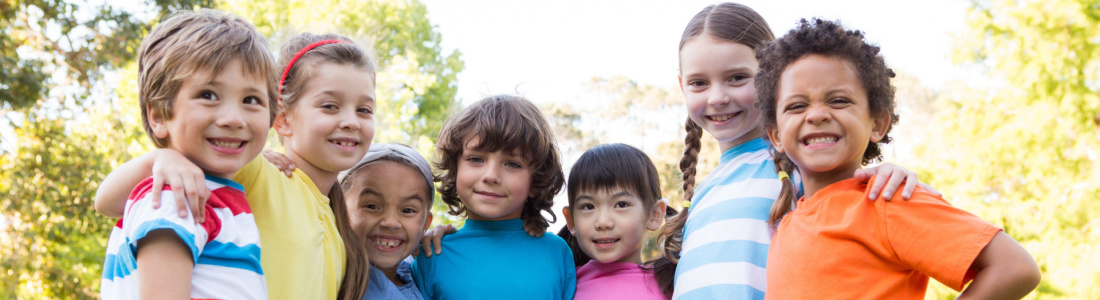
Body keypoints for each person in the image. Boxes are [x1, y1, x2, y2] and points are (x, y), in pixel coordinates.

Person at [655, 3, 934, 299]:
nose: (718, 97)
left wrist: (887, 174)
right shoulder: (704, 190)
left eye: (737, 78)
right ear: (682, 86)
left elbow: (860, 205)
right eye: (699, 83)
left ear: (771, 80)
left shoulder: (801, 164)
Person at [755, 18, 1041, 299]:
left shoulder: (887, 200)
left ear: (877, 124)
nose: (817, 114)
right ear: (776, 135)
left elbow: (1014, 268)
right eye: (797, 105)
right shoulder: (788, 223)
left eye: (839, 100)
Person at [94, 32, 378, 300]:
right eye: (330, 106)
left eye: (364, 110)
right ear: (281, 119)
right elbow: (108, 202)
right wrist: (162, 158)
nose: (351, 121)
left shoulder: (338, 219)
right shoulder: (257, 172)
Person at [99, 9, 275, 299]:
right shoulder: (175, 195)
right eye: (208, 95)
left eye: (251, 100)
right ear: (159, 116)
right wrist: (159, 159)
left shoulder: (214, 197)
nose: (234, 118)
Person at [412, 95, 576, 299]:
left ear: (535, 181)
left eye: (512, 164)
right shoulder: (431, 254)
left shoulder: (556, 253)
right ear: (455, 170)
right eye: (476, 159)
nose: (491, 175)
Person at [558, 143, 671, 300]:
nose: (603, 222)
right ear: (571, 220)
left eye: (621, 204)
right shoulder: (563, 284)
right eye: (588, 206)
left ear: (654, 215)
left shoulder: (672, 286)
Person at [339, 143, 434, 300]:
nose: (391, 222)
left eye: (408, 210)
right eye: (372, 206)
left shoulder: (416, 272)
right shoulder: (334, 271)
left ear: (425, 223)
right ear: (340, 208)